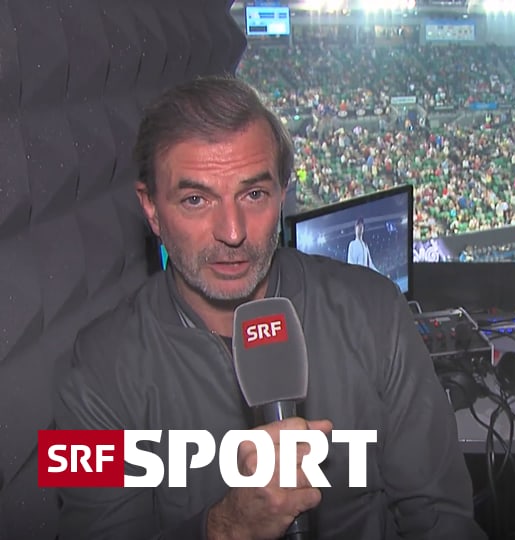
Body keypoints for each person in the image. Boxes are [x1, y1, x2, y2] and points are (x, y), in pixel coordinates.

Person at [54, 76, 486, 540]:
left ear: (283, 194)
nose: (232, 231)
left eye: (254, 194)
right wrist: (224, 528)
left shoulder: (376, 309)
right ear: (152, 209)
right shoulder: (92, 369)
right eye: (196, 199)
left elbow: (443, 516)